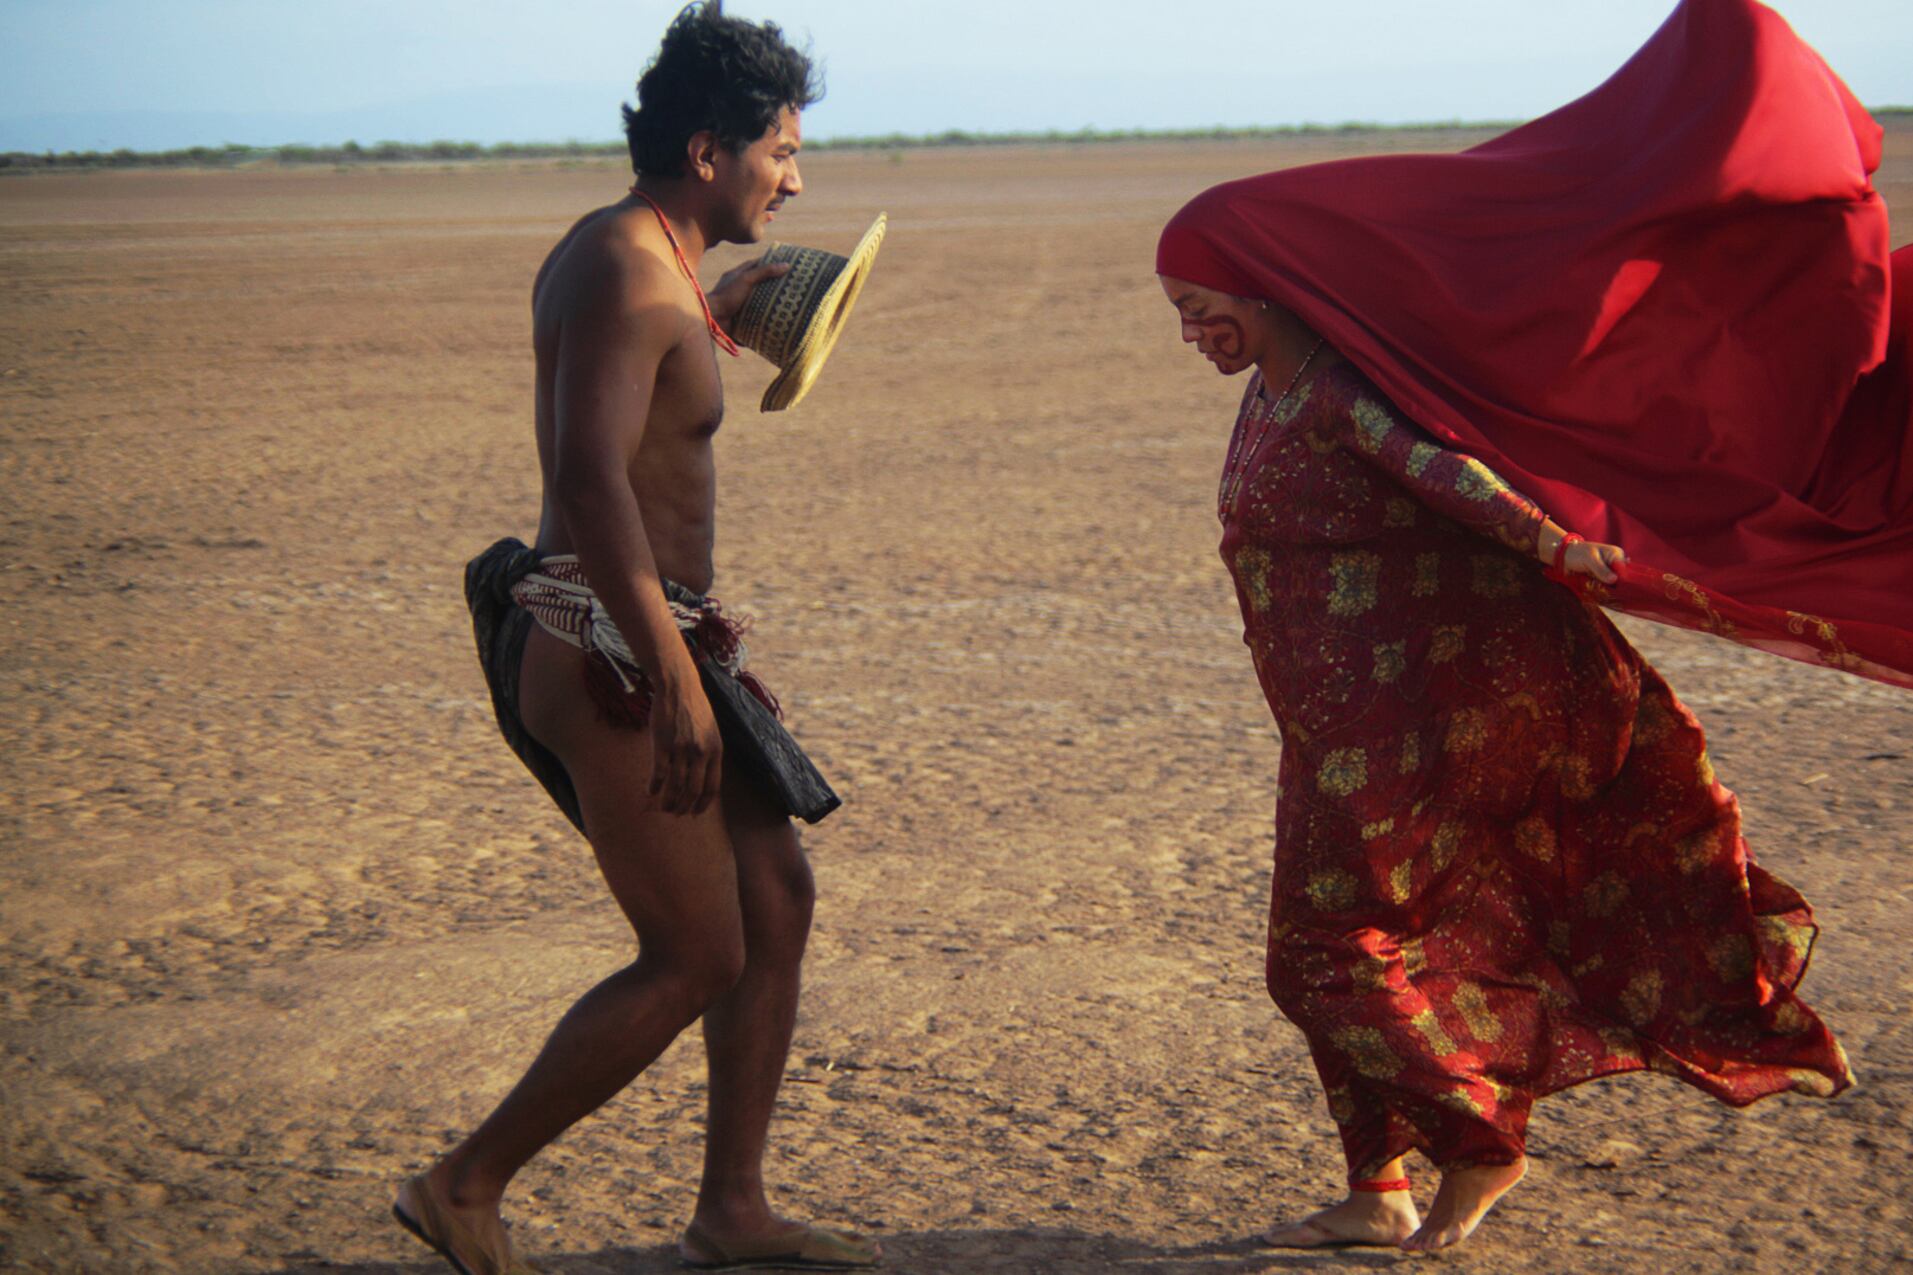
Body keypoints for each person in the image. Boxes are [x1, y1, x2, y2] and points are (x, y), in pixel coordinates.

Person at [1155, 0, 1905, 1254]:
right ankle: (1375, 1185)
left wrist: (1574, 549)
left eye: (1198, 305)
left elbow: (1459, 485)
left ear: (1261, 290)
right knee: (1330, 941)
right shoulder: (1265, 396)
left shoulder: (1339, 395)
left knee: (1323, 956)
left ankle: (1478, 1146)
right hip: (1330, 734)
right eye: (1176, 311)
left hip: (1419, 728)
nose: (1188, 331)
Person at [393, 5, 876, 1272]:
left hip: (654, 635)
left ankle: (733, 1208)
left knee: (774, 899)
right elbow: (590, 476)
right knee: (695, 949)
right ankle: (463, 1182)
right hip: (610, 646)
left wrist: (711, 315)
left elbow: (644, 395)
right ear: (709, 147)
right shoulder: (619, 264)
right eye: (781, 150)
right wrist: (668, 675)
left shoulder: (647, 263)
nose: (795, 176)